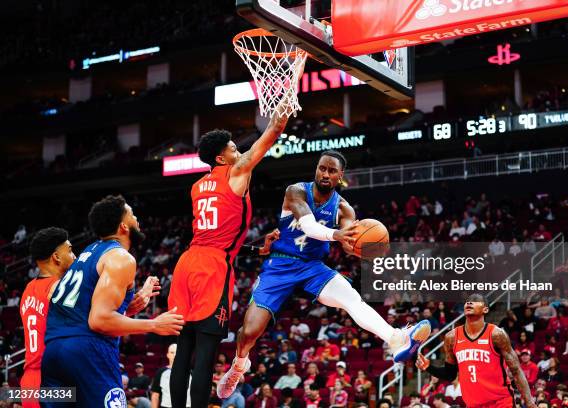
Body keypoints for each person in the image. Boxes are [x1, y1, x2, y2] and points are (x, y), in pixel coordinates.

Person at [218, 150, 431, 398]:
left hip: (312, 266)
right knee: (249, 332)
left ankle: (397, 339)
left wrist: (363, 248)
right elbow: (309, 226)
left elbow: (350, 240)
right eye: (322, 168)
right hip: (281, 264)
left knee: (351, 298)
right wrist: (336, 235)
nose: (325, 174)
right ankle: (239, 365)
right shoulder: (295, 191)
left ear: (341, 175)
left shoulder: (343, 208)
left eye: (331, 170)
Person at [167, 95, 295, 408]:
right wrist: (289, 92)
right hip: (212, 266)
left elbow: (218, 229)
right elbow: (274, 130)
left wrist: (251, 243)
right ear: (222, 159)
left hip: (188, 262)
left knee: (183, 347)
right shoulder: (235, 173)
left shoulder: (197, 187)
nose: (239, 152)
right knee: (206, 352)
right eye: (233, 149)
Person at [41, 195, 184, 407]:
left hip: (53, 354)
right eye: (133, 215)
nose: (137, 219)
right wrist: (154, 324)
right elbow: (99, 321)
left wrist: (130, 305)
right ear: (124, 226)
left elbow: (86, 310)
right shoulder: (121, 257)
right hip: (87, 353)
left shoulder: (87, 253)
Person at [416, 293, 537, 408]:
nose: (469, 303)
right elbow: (450, 374)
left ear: (485, 309)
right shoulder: (451, 337)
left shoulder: (496, 334)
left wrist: (529, 402)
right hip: (473, 404)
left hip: (500, 402)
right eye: (467, 302)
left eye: (475, 301)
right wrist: (428, 366)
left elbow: (516, 370)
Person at [20, 228, 75, 408]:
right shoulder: (60, 288)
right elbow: (95, 321)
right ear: (56, 257)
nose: (75, 256)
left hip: (29, 380)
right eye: (70, 250)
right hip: (52, 380)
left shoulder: (28, 290)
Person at [151, 344, 192, 408]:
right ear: (168, 355)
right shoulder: (161, 372)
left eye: (177, 352)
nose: (175, 355)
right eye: (172, 352)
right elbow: (155, 395)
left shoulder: (190, 373)